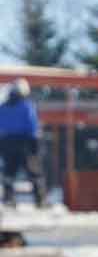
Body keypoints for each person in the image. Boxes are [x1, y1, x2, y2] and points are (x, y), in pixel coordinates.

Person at [0, 78, 46, 207]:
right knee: (34, 172)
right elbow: (32, 126)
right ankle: (40, 201)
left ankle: (8, 199)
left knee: (9, 172)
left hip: (7, 143)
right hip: (25, 143)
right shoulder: (26, 106)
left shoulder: (3, 107)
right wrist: (35, 144)